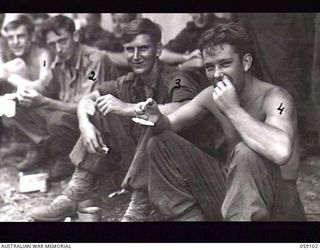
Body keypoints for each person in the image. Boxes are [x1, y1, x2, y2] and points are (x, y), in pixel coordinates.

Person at [30, 18, 200, 222]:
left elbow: (187, 107)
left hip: (180, 169)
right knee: (101, 108)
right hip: (141, 164)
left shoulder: (177, 77)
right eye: (130, 50)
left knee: (151, 120)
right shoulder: (130, 81)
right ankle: (77, 193)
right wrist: (85, 123)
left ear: (158, 49)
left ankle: (139, 208)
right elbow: (89, 97)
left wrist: (129, 109)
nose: (136, 56)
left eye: (143, 49)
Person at [136, 22, 306, 221]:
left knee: (246, 152)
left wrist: (233, 109)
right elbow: (171, 123)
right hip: (236, 199)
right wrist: (157, 118)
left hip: (279, 208)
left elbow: (281, 151)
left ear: (246, 62)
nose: (217, 74)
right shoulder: (211, 95)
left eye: (225, 64)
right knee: (160, 143)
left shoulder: (277, 98)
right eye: (209, 67)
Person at [5, 15, 119, 179]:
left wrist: (44, 101)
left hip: (97, 124)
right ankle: (49, 148)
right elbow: (46, 91)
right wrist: (26, 96)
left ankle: (67, 160)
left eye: (62, 41)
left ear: (76, 36)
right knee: (14, 106)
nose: (58, 49)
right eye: (52, 44)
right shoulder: (59, 62)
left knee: (57, 119)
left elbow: (86, 106)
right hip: (69, 119)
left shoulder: (95, 61)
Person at [0, 13, 53, 166]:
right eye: (11, 37)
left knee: (10, 98)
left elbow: (41, 86)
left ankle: (39, 147)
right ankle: (22, 142)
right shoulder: (16, 57)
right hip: (33, 110)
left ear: (31, 35)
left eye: (20, 36)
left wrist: (10, 77)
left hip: (52, 109)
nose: (15, 42)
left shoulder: (43, 56)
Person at [160, 13, 229, 89]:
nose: (200, 16)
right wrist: (186, 58)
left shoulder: (223, 26)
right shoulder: (191, 30)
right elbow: (162, 54)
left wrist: (203, 61)